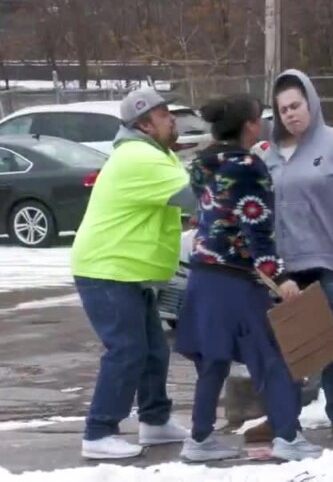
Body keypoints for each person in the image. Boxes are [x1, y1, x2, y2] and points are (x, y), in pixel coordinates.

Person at [242, 69, 333, 443]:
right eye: (283, 110)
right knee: (291, 343)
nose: (291, 114)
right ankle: (280, 417)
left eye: (296, 105)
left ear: (311, 103)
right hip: (290, 266)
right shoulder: (268, 155)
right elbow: (255, 208)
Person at [174, 94, 324, 463]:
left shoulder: (203, 165)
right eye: (261, 117)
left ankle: (200, 438)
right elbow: (255, 224)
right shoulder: (248, 168)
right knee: (271, 355)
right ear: (251, 126)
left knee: (214, 357)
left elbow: (214, 215)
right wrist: (279, 277)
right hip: (235, 278)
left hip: (203, 272)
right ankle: (288, 437)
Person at [70, 87, 194, 459]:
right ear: (143, 124)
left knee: (154, 350)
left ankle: (155, 421)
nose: (172, 119)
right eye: (163, 114)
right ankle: (98, 431)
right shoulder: (139, 157)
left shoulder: (156, 154)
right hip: (107, 269)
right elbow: (194, 196)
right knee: (126, 350)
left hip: (128, 270)